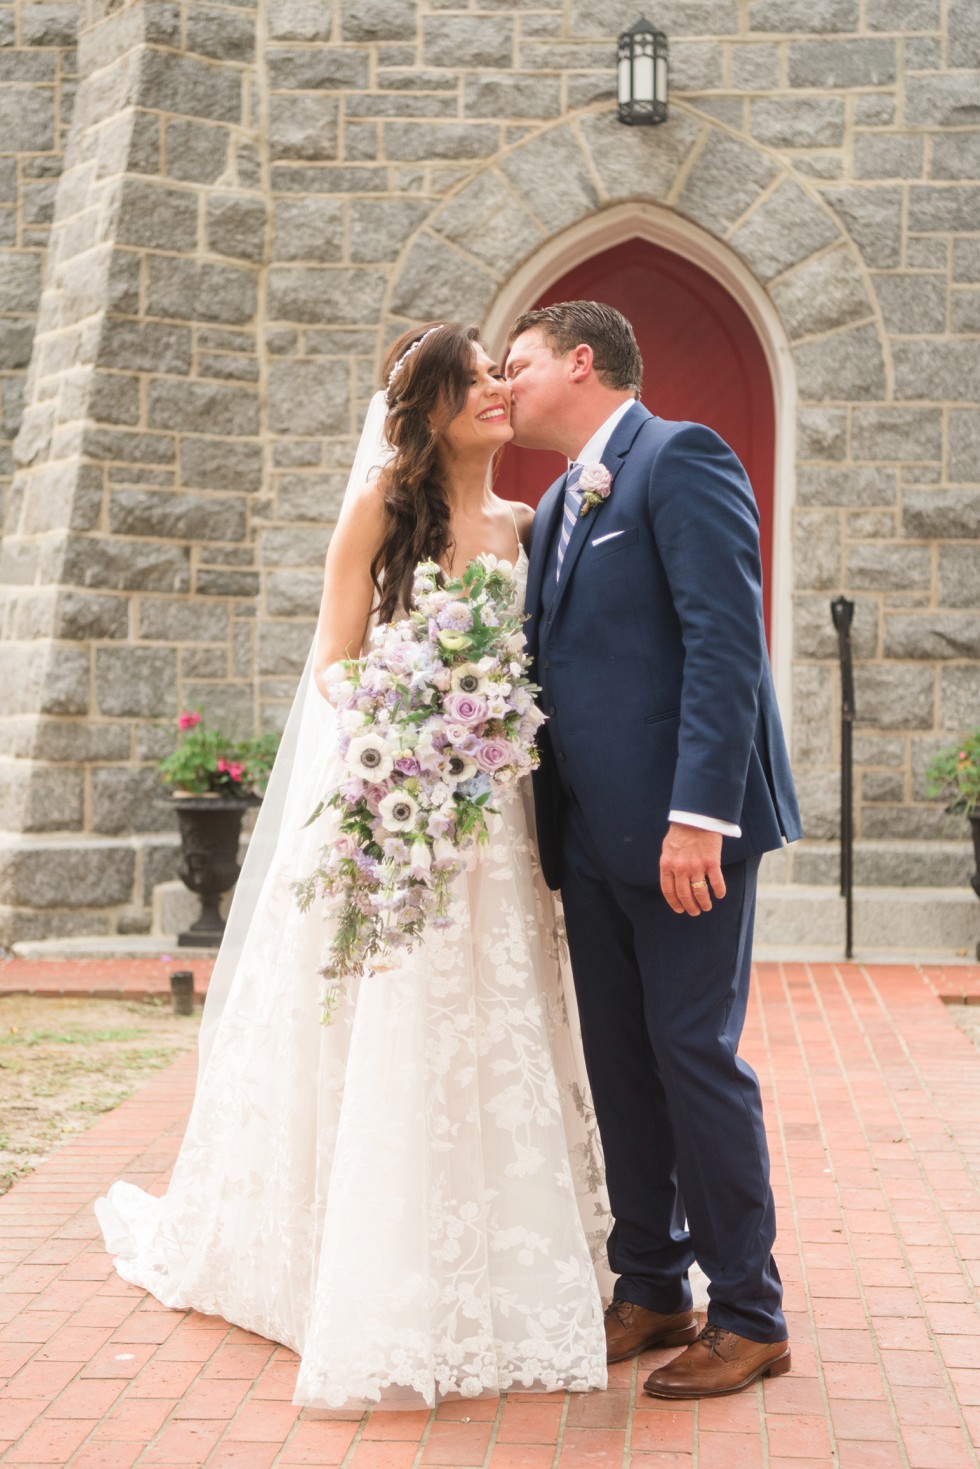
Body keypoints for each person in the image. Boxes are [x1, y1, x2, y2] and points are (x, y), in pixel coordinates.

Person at [95, 322, 610, 1410]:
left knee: (498, 1019)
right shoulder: (381, 506)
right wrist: (405, 718)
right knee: (399, 1020)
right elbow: (330, 662)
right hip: (403, 802)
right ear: (424, 406)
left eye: (493, 376)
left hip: (500, 827)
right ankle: (372, 1266)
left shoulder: (527, 520)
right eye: (469, 380)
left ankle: (515, 1261)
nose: (491, 392)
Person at [505, 300, 802, 1400]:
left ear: (581, 362)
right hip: (586, 831)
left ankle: (749, 1312)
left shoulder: (680, 457)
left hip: (685, 832)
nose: (504, 382)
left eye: (519, 364)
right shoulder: (555, 501)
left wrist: (698, 815)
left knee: (691, 1054)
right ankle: (650, 1280)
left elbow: (726, 642)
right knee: (620, 1062)